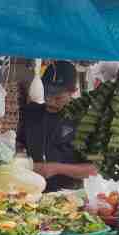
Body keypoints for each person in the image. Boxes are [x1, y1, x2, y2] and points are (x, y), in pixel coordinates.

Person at [17, 61, 97, 193]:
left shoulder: (86, 120)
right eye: (47, 94)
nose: (50, 100)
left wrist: (55, 168)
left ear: (73, 92)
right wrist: (19, 159)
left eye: (58, 97)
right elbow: (20, 145)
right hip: (29, 193)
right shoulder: (31, 113)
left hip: (69, 197)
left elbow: (94, 169)